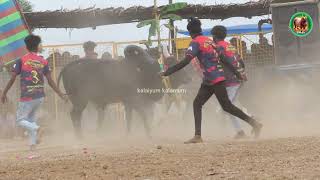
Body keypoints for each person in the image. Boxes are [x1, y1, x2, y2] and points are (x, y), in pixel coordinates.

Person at [159, 18, 263, 144]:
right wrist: (238, 73)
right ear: (200, 30)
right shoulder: (209, 41)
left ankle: (254, 124)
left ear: (191, 32)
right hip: (212, 79)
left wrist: (167, 72)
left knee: (226, 106)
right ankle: (198, 136)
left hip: (213, 79)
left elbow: (186, 61)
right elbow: (224, 59)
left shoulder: (195, 42)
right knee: (199, 103)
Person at [0, 34, 67, 151]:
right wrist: (61, 94)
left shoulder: (21, 60)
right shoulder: (43, 61)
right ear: (37, 47)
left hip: (27, 96)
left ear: (26, 47)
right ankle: (32, 144)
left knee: (20, 120)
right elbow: (50, 81)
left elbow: (12, 78)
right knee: (31, 119)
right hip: (40, 96)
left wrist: (4, 92)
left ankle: (37, 129)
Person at [211, 25, 253, 139]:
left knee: (227, 107)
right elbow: (241, 62)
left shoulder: (217, 47)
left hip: (231, 81)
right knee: (230, 107)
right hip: (240, 79)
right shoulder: (230, 46)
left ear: (214, 36)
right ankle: (240, 131)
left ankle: (252, 120)